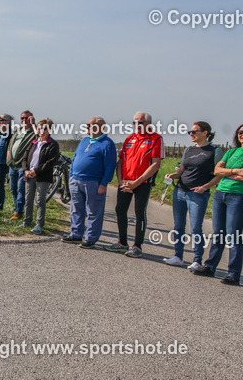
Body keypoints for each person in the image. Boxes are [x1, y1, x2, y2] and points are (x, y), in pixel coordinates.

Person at [105, 112, 164, 258]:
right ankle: (122, 243)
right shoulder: (129, 139)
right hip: (125, 182)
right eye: (134, 123)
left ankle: (137, 246)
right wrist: (120, 181)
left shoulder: (156, 138)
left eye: (140, 123)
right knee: (120, 210)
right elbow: (120, 162)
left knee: (139, 213)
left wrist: (137, 182)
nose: (137, 125)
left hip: (142, 182)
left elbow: (156, 164)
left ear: (148, 123)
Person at [163, 121, 222, 268]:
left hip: (198, 194)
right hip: (180, 191)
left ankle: (197, 260)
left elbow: (220, 174)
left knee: (196, 228)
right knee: (179, 226)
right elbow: (181, 170)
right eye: (190, 132)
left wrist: (205, 187)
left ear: (205, 133)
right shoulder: (188, 150)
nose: (191, 134)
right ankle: (178, 256)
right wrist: (173, 175)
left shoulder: (215, 150)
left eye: (194, 132)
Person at [193, 122, 243, 285]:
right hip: (220, 194)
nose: (241, 134)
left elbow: (223, 171)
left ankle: (233, 273)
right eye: (240, 132)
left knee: (234, 234)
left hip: (238, 196)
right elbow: (216, 171)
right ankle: (210, 266)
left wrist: (226, 173)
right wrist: (235, 172)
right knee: (218, 233)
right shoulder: (232, 152)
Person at [63, 117, 116, 248]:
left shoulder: (107, 144)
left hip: (94, 182)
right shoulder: (84, 141)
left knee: (94, 211)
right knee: (76, 209)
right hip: (76, 180)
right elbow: (75, 158)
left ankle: (90, 238)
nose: (86, 128)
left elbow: (110, 166)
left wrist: (104, 183)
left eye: (89, 125)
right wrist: (71, 176)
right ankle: (76, 234)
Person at [21, 119, 60, 234]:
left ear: (49, 130)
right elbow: (24, 158)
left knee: (40, 201)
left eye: (45, 129)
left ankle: (39, 225)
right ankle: (26, 222)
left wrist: (36, 171)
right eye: (39, 128)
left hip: (42, 177)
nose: (41, 131)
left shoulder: (53, 144)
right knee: (28, 199)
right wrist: (26, 170)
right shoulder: (34, 142)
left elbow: (51, 162)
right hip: (29, 175)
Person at [6, 110, 36, 220]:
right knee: (12, 188)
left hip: (22, 165)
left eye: (27, 118)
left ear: (31, 118)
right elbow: (10, 144)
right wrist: (8, 157)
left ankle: (18, 211)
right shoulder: (18, 131)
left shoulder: (33, 132)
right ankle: (17, 209)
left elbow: (38, 136)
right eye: (22, 118)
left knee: (20, 189)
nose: (24, 120)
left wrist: (33, 124)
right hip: (12, 164)